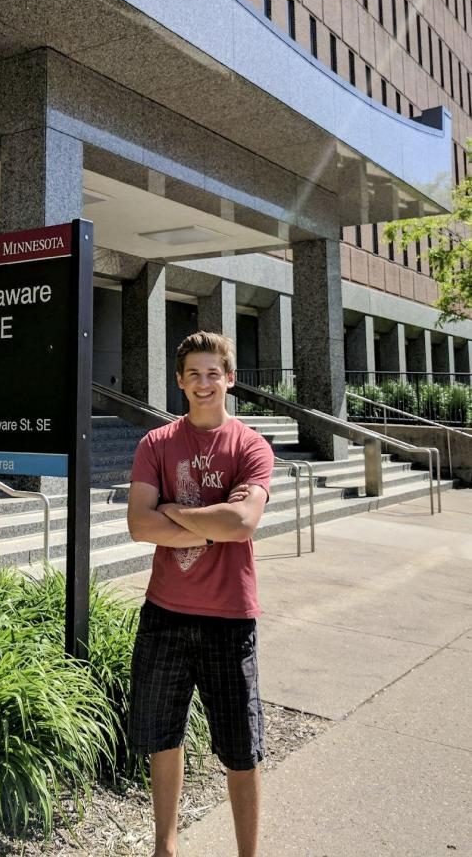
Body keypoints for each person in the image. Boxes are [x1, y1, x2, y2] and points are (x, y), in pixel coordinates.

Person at [127, 331, 274, 857]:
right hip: (164, 613)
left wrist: (174, 513)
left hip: (230, 617)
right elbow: (139, 527)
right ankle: (164, 848)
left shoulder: (251, 446)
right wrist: (212, 524)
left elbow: (242, 520)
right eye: (194, 374)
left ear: (230, 379)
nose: (204, 383)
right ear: (180, 381)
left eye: (214, 373)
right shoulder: (157, 444)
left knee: (241, 747)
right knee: (161, 736)